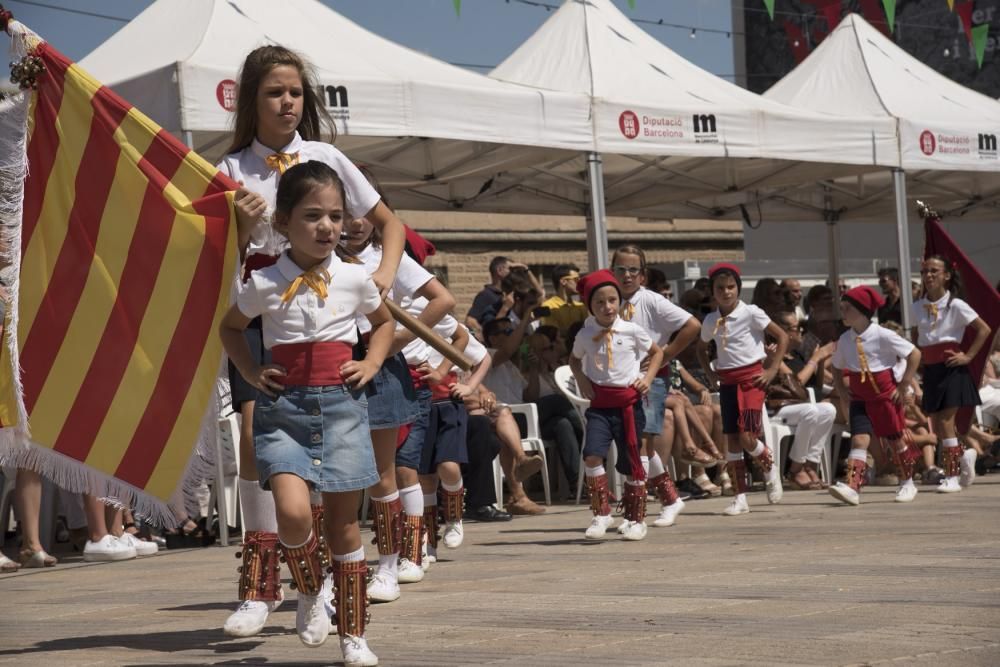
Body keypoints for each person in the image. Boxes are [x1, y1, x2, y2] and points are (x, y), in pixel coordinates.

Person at [216, 44, 405, 640]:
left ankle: (318, 584)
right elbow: (216, 260)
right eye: (274, 93)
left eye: (295, 92)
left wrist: (379, 277)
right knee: (254, 443)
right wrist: (242, 225)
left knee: (340, 467)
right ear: (252, 100)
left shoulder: (324, 156)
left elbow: (390, 223)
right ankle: (258, 586)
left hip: (325, 326)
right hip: (264, 324)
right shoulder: (229, 169)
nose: (287, 102)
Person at [341, 168, 455, 603]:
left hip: (381, 368)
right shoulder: (315, 255)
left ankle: (389, 566)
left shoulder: (386, 257)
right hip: (328, 367)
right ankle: (334, 564)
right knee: (330, 476)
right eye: (344, 211)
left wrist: (398, 339)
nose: (352, 221)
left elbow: (444, 299)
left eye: (362, 210)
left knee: (383, 472)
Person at [612, 245, 705, 528]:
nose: (626, 275)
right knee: (637, 443)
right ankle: (670, 497)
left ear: (643, 275)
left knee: (643, 440)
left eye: (633, 270)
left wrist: (666, 353)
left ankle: (635, 508)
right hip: (622, 380)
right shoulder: (609, 300)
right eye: (621, 269)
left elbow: (692, 325)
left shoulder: (651, 301)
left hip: (651, 378)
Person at [570, 269, 663, 541]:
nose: (607, 306)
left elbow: (656, 353)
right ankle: (601, 514)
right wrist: (582, 380)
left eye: (612, 300)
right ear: (590, 306)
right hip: (600, 405)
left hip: (628, 406)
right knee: (592, 455)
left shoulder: (632, 330)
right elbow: (574, 360)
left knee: (633, 461)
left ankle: (636, 519)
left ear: (619, 302)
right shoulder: (585, 335)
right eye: (600, 302)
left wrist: (647, 378)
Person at [699, 263, 787, 517]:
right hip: (727, 383)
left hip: (752, 381)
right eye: (720, 288)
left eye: (731, 287)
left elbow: (782, 337)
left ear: (738, 288)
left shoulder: (751, 312)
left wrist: (771, 371)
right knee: (733, 441)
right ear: (712, 292)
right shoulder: (710, 319)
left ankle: (769, 465)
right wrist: (709, 372)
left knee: (748, 436)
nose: (726, 292)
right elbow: (700, 348)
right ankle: (740, 497)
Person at [828, 286, 922, 507]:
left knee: (896, 441)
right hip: (860, 399)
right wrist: (842, 392)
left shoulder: (883, 334)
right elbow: (836, 367)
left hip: (885, 397)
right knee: (860, 439)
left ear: (861, 311)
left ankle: (907, 481)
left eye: (847, 308)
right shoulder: (844, 339)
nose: (842, 312)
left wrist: (904, 384)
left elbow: (914, 354)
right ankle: (853, 486)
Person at [912, 255, 992, 492]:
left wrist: (967, 356)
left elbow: (984, 329)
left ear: (946, 276)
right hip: (932, 369)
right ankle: (965, 459)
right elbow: (919, 336)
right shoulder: (917, 306)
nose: (929, 275)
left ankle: (952, 474)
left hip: (952, 367)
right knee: (938, 424)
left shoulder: (955, 305)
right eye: (925, 271)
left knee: (946, 422)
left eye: (934, 271)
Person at [770, 311, 837, 490]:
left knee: (829, 410)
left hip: (799, 406)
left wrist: (821, 361)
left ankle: (810, 464)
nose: (801, 332)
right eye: (795, 328)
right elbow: (796, 383)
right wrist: (815, 359)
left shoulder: (796, 356)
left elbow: (817, 385)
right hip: (779, 407)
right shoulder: (773, 354)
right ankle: (796, 468)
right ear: (783, 331)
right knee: (811, 411)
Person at [540, 264, 586, 338]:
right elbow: (552, 333)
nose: (579, 283)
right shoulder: (547, 306)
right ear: (563, 281)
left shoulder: (581, 306)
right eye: (576, 279)